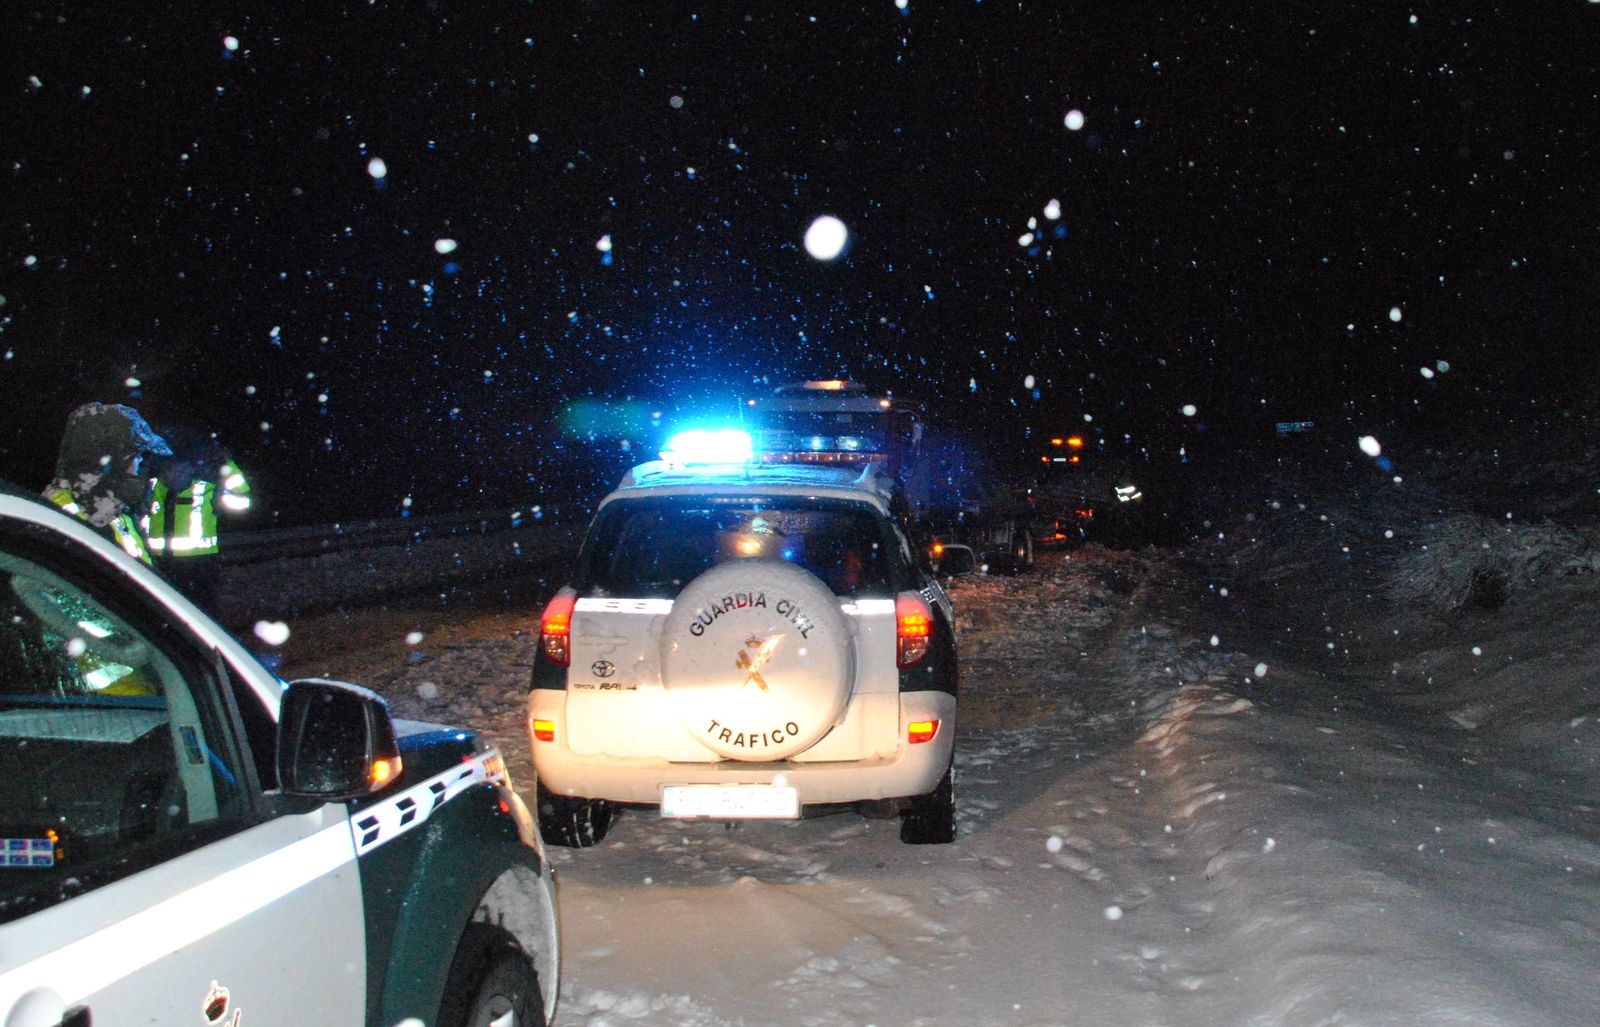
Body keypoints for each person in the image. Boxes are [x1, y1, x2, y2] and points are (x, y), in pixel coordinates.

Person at [42, 402, 171, 566]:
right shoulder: (72, 519)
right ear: (116, 460)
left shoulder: (107, 509)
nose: (140, 462)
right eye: (136, 456)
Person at [144, 423, 251, 612]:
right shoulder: (205, 479)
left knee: (171, 613)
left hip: (173, 563)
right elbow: (241, 503)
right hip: (190, 563)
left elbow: (242, 503)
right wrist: (226, 464)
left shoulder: (153, 479)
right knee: (195, 614)